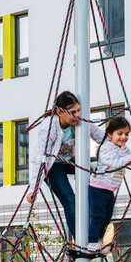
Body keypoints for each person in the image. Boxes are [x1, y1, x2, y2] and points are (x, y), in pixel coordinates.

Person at [25, 91, 106, 237]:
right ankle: (80, 240)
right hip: (53, 166)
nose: (77, 115)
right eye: (72, 112)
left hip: (73, 161)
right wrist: (33, 188)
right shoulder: (49, 126)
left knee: (98, 181)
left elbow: (101, 137)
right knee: (71, 202)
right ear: (59, 112)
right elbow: (40, 158)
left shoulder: (81, 120)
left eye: (78, 110)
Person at [87, 116, 131, 251]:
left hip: (109, 189)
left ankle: (99, 241)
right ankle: (92, 241)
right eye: (119, 134)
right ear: (110, 134)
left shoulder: (122, 148)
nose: (123, 137)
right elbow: (116, 163)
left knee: (106, 218)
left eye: (126, 134)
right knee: (98, 216)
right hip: (98, 188)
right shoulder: (106, 147)